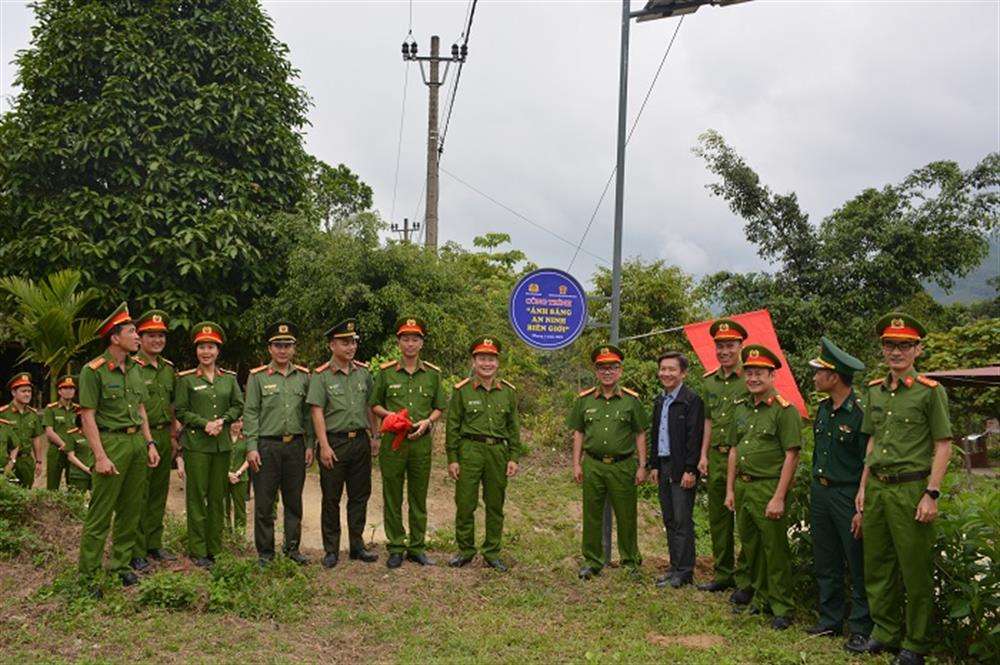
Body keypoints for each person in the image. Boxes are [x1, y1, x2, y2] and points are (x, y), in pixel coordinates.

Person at [851, 313, 952, 665]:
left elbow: (943, 445)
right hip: (877, 487)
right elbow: (873, 440)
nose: (896, 352)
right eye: (890, 345)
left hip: (911, 490)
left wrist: (932, 493)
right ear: (882, 349)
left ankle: (917, 643)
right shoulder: (875, 390)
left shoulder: (929, 392)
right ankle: (884, 632)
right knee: (877, 564)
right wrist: (863, 488)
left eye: (904, 346)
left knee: (914, 568)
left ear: (917, 350)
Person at [77, 303, 160, 590]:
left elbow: (141, 409)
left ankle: (120, 565)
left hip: (137, 442)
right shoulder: (93, 371)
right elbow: (87, 416)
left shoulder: (136, 369)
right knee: (101, 511)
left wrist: (149, 442)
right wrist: (99, 456)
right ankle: (88, 575)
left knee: (131, 509)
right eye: (133, 331)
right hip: (110, 442)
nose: (139, 337)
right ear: (115, 338)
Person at [724, 344, 801, 630]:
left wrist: (779, 496)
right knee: (752, 547)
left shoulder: (784, 410)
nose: (753, 378)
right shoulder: (741, 408)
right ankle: (760, 597)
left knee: (774, 550)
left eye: (760, 373)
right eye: (750, 373)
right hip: (743, 487)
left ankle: (782, 606)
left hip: (768, 488)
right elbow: (733, 449)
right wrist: (730, 490)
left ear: (772, 376)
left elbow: (791, 455)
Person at [806, 337, 872, 649]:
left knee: (856, 561)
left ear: (834, 377)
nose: (815, 377)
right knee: (826, 558)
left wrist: (861, 506)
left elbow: (867, 462)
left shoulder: (859, 413)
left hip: (847, 495)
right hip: (821, 493)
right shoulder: (822, 410)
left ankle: (860, 625)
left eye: (819, 372)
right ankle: (830, 619)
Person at [370, 317, 447, 569]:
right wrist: (388, 415)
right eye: (405, 339)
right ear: (399, 342)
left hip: (420, 443)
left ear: (422, 343)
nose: (410, 344)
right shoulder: (386, 372)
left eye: (415, 339)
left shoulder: (433, 375)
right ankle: (395, 546)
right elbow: (374, 404)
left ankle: (416, 547)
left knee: (418, 496)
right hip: (394, 442)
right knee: (392, 495)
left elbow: (439, 407)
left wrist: (428, 421)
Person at [569, 344, 648, 580]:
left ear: (620, 371)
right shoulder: (584, 401)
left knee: (626, 514)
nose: (607, 372)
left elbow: (640, 433)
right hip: (593, 464)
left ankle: (630, 560)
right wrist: (576, 463)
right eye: (602, 368)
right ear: (596, 371)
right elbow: (579, 433)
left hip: (622, 465)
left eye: (612, 367)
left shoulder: (631, 401)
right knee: (592, 513)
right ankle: (593, 560)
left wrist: (642, 465)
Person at [446, 336, 522, 572]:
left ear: (497, 363)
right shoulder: (462, 391)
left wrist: (513, 456)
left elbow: (513, 428)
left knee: (495, 504)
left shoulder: (507, 392)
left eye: (491, 359)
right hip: (470, 450)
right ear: (474, 361)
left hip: (497, 452)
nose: (486, 364)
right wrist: (453, 459)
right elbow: (453, 427)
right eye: (481, 359)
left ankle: (492, 551)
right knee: (466, 503)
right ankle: (466, 550)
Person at [308, 318, 379, 569]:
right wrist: (323, 445)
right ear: (332, 345)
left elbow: (370, 407)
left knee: (359, 495)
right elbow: (316, 411)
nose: (350, 347)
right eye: (344, 342)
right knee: (331, 498)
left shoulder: (363, 373)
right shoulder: (321, 376)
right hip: (334, 443)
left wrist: (375, 436)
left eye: (353, 342)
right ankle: (331, 549)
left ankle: (357, 545)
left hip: (359, 441)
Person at [175, 322, 244, 568]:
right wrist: (204, 423)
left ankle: (215, 547)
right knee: (196, 497)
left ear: (218, 350)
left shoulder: (229, 379)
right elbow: (181, 411)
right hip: (196, 445)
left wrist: (223, 421)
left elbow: (238, 405)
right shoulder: (186, 380)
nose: (206, 352)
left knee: (218, 497)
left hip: (221, 445)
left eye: (211, 347)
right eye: (202, 347)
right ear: (196, 351)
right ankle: (198, 548)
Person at [243, 320, 312, 566]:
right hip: (266, 446)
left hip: (295, 445)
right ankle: (265, 553)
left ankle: (292, 549)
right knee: (264, 502)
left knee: (294, 501)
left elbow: (307, 415)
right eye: (278, 345)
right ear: (269, 349)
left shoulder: (304, 377)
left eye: (287, 345)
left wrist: (309, 445)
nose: (283, 350)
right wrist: (251, 447)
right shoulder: (258, 378)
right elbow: (250, 413)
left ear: (294, 348)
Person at [697, 318, 753, 605]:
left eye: (730, 345)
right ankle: (722, 573)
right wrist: (703, 454)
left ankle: (745, 579)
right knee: (719, 519)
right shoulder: (710, 382)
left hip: (742, 457)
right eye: (720, 346)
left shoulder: (752, 378)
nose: (724, 351)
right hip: (717, 457)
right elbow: (708, 419)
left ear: (741, 346)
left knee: (744, 520)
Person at [647, 351, 704, 589]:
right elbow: (656, 435)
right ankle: (674, 566)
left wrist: (691, 469)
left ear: (683, 373)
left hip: (683, 468)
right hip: (664, 464)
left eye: (672, 369)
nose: (666, 373)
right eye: (663, 369)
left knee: (682, 520)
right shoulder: (661, 400)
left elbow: (695, 437)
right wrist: (654, 465)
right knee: (669, 518)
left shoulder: (691, 401)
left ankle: (685, 571)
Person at [131, 310, 180, 570]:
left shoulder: (168, 369)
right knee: (140, 492)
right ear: (140, 338)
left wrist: (173, 435)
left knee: (159, 492)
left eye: (161, 335)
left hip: (163, 434)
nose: (157, 340)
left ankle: (153, 543)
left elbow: (171, 406)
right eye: (151, 335)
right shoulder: (132, 367)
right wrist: (148, 440)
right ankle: (136, 550)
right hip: (142, 436)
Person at [1, 372, 44, 488]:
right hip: (7, 461)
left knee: (26, 493)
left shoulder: (32, 414)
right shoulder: (3, 413)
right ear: (13, 392)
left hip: (26, 461)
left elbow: (36, 437)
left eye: (29, 391)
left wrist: (39, 461)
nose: (27, 394)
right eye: (23, 391)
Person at [43, 375, 79, 490]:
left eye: (71, 388)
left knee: (74, 484)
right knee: (52, 485)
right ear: (59, 391)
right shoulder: (51, 409)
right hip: (56, 450)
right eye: (65, 388)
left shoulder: (79, 410)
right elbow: (49, 431)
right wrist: (63, 445)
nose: (69, 391)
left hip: (75, 451)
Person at [224, 417, 250, 538]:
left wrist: (238, 472)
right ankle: (226, 534)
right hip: (223, 476)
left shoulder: (246, 438)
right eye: (234, 422)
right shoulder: (223, 437)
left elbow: (249, 458)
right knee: (224, 506)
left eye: (239, 421)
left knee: (240, 507)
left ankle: (240, 536)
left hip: (241, 477)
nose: (236, 425)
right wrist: (228, 473)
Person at [63, 425, 94, 493]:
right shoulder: (73, 435)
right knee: (76, 499)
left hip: (95, 473)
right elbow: (71, 457)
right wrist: (86, 469)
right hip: (78, 474)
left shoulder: (96, 435)